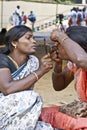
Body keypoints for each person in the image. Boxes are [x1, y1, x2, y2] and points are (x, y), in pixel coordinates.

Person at [0, 25, 56, 130]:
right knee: (32, 97)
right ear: (14, 42)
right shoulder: (2, 60)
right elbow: (7, 89)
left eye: (33, 38)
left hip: (16, 107)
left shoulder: (32, 61)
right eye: (28, 38)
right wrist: (40, 71)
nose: (34, 41)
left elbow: (24, 90)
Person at [40, 26, 87, 130]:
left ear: (76, 48)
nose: (56, 46)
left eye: (61, 43)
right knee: (40, 114)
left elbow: (81, 59)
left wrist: (60, 35)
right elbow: (59, 86)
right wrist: (58, 64)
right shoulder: (74, 64)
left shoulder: (83, 61)